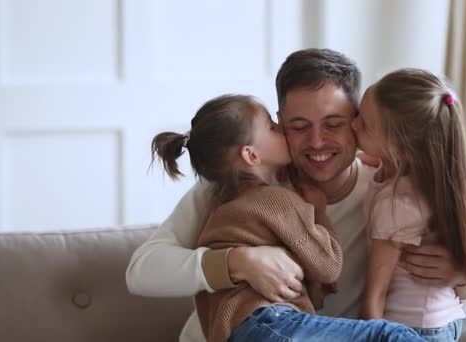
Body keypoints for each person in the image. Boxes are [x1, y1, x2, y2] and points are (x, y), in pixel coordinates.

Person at [126, 49, 466, 342]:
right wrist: (238, 262)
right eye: (297, 126)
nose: (317, 142)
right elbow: (141, 271)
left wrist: (461, 277)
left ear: (358, 122)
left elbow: (451, 316)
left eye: (334, 124)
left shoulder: (391, 193)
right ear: (278, 124)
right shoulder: (232, 188)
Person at [149, 93, 424, 341]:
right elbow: (328, 266)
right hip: (269, 323)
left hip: (237, 331)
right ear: (251, 154)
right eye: (275, 126)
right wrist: (318, 210)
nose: (281, 131)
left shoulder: (224, 207)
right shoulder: (276, 200)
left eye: (333, 123)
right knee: (390, 336)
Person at [353, 68, 466, 342]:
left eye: (365, 125)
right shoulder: (408, 171)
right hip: (445, 318)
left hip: (415, 328)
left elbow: (374, 297)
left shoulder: (397, 204)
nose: (352, 124)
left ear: (399, 148)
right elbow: (371, 159)